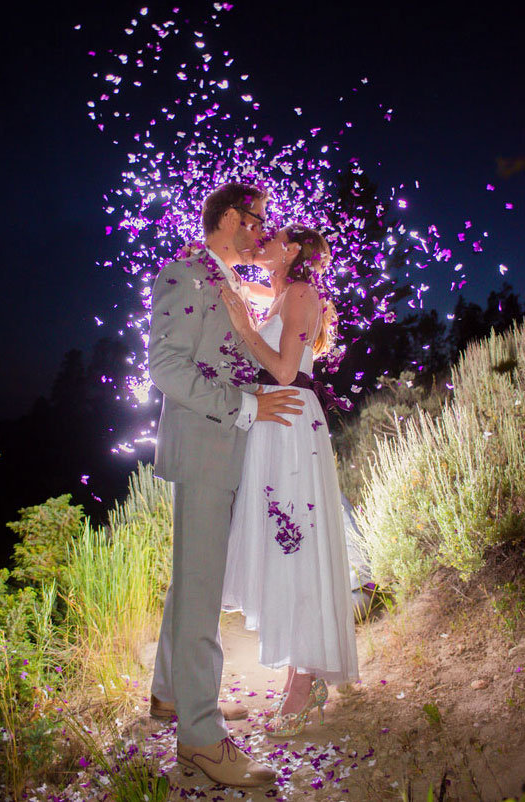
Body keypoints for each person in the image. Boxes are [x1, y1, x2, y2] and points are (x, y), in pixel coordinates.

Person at [147, 183, 305, 787]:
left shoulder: (227, 279)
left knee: (193, 582)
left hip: (225, 448)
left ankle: (170, 696)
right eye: (257, 221)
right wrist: (245, 408)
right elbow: (165, 368)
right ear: (231, 218)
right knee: (200, 589)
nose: (262, 232)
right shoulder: (185, 273)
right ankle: (202, 738)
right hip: (206, 448)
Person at [221, 224, 359, 737]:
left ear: (295, 251)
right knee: (284, 544)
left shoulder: (302, 293)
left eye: (274, 237)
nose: (265, 242)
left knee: (295, 544)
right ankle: (298, 675)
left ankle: (304, 682)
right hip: (273, 422)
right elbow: (234, 277)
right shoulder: (281, 292)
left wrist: (244, 327)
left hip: (290, 417)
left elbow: (282, 370)